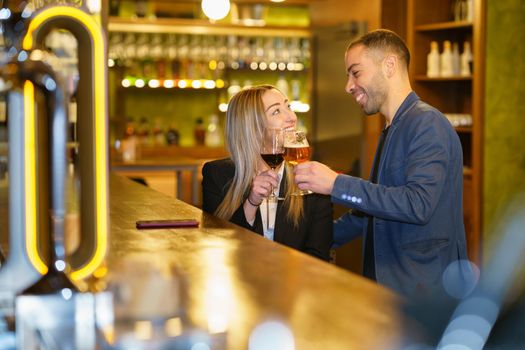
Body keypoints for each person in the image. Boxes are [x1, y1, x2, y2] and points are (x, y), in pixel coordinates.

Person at [294, 29, 473, 297]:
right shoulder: (393, 127)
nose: (348, 86)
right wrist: (307, 240)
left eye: (355, 72)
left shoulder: (427, 123)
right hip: (391, 290)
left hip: (422, 293)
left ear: (389, 65)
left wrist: (336, 183)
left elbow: (417, 204)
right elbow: (373, 210)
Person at [202, 85, 333, 261]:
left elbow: (319, 257)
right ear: (252, 126)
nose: (292, 117)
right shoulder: (217, 175)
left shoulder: (313, 181)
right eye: (276, 112)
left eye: (288, 107)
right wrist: (252, 202)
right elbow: (219, 247)